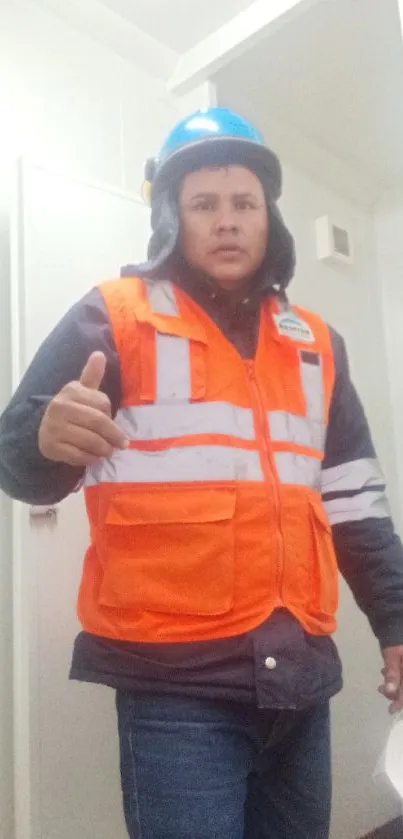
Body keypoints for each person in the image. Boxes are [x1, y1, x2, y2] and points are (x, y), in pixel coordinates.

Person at [1, 107, 403, 839]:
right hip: (175, 691)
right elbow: (18, 461)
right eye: (204, 204)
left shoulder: (317, 343)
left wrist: (397, 623)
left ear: (267, 218)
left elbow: (357, 505)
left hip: (302, 684)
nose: (226, 221)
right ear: (171, 217)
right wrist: (43, 438)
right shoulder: (112, 314)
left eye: (243, 203)